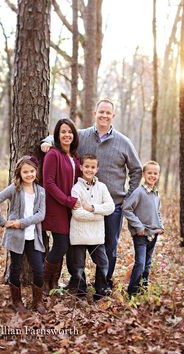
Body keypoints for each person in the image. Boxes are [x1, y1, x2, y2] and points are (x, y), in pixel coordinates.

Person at [41, 98, 142, 290]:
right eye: (101, 112)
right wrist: (46, 141)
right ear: (95, 114)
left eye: (108, 112)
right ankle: (77, 283)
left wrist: (129, 198)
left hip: (112, 206)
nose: (104, 115)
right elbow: (62, 136)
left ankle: (103, 284)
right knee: (76, 244)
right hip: (81, 203)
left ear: (113, 116)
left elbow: (136, 170)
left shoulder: (124, 142)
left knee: (108, 247)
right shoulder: (82, 135)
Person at [0, 156, 46, 314]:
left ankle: (37, 302)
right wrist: (3, 222)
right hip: (16, 237)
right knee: (16, 268)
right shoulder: (15, 188)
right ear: (19, 173)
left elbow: (41, 215)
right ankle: (17, 302)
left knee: (39, 269)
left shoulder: (40, 191)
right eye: (25, 172)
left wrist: (21, 223)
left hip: (33, 237)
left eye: (32, 171)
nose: (29, 174)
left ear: (36, 171)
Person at [42, 118, 81, 295]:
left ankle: (53, 284)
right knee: (61, 245)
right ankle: (42, 281)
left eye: (70, 131)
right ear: (57, 134)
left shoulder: (74, 157)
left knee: (63, 245)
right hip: (57, 206)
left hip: (70, 208)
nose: (67, 135)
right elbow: (48, 182)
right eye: (63, 131)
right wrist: (66, 200)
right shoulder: (53, 154)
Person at [70, 154, 115, 300]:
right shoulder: (76, 188)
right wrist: (99, 214)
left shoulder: (102, 187)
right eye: (87, 166)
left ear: (97, 169)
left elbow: (111, 207)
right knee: (78, 266)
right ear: (81, 167)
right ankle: (81, 293)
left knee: (103, 262)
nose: (90, 169)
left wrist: (93, 208)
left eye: (93, 167)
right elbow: (77, 214)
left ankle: (100, 292)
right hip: (79, 234)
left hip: (96, 236)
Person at [122, 161, 164, 298]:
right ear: (143, 174)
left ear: (158, 175)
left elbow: (157, 212)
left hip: (153, 234)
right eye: (149, 173)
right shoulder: (139, 192)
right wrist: (139, 227)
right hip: (141, 234)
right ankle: (131, 292)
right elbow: (127, 208)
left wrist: (160, 226)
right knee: (140, 263)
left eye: (155, 173)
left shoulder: (156, 193)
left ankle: (143, 289)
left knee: (147, 263)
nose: (152, 175)